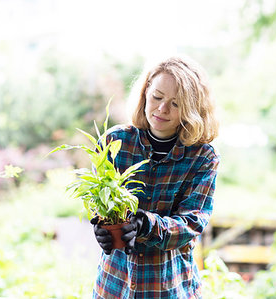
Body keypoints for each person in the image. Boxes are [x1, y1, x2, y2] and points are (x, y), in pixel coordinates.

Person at [90, 55, 220, 299]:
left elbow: (193, 222)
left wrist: (145, 225)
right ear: (146, 92)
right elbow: (97, 199)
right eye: (157, 97)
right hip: (114, 284)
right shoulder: (114, 142)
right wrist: (101, 226)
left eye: (176, 103)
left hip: (168, 287)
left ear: (191, 108)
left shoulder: (202, 157)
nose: (162, 109)